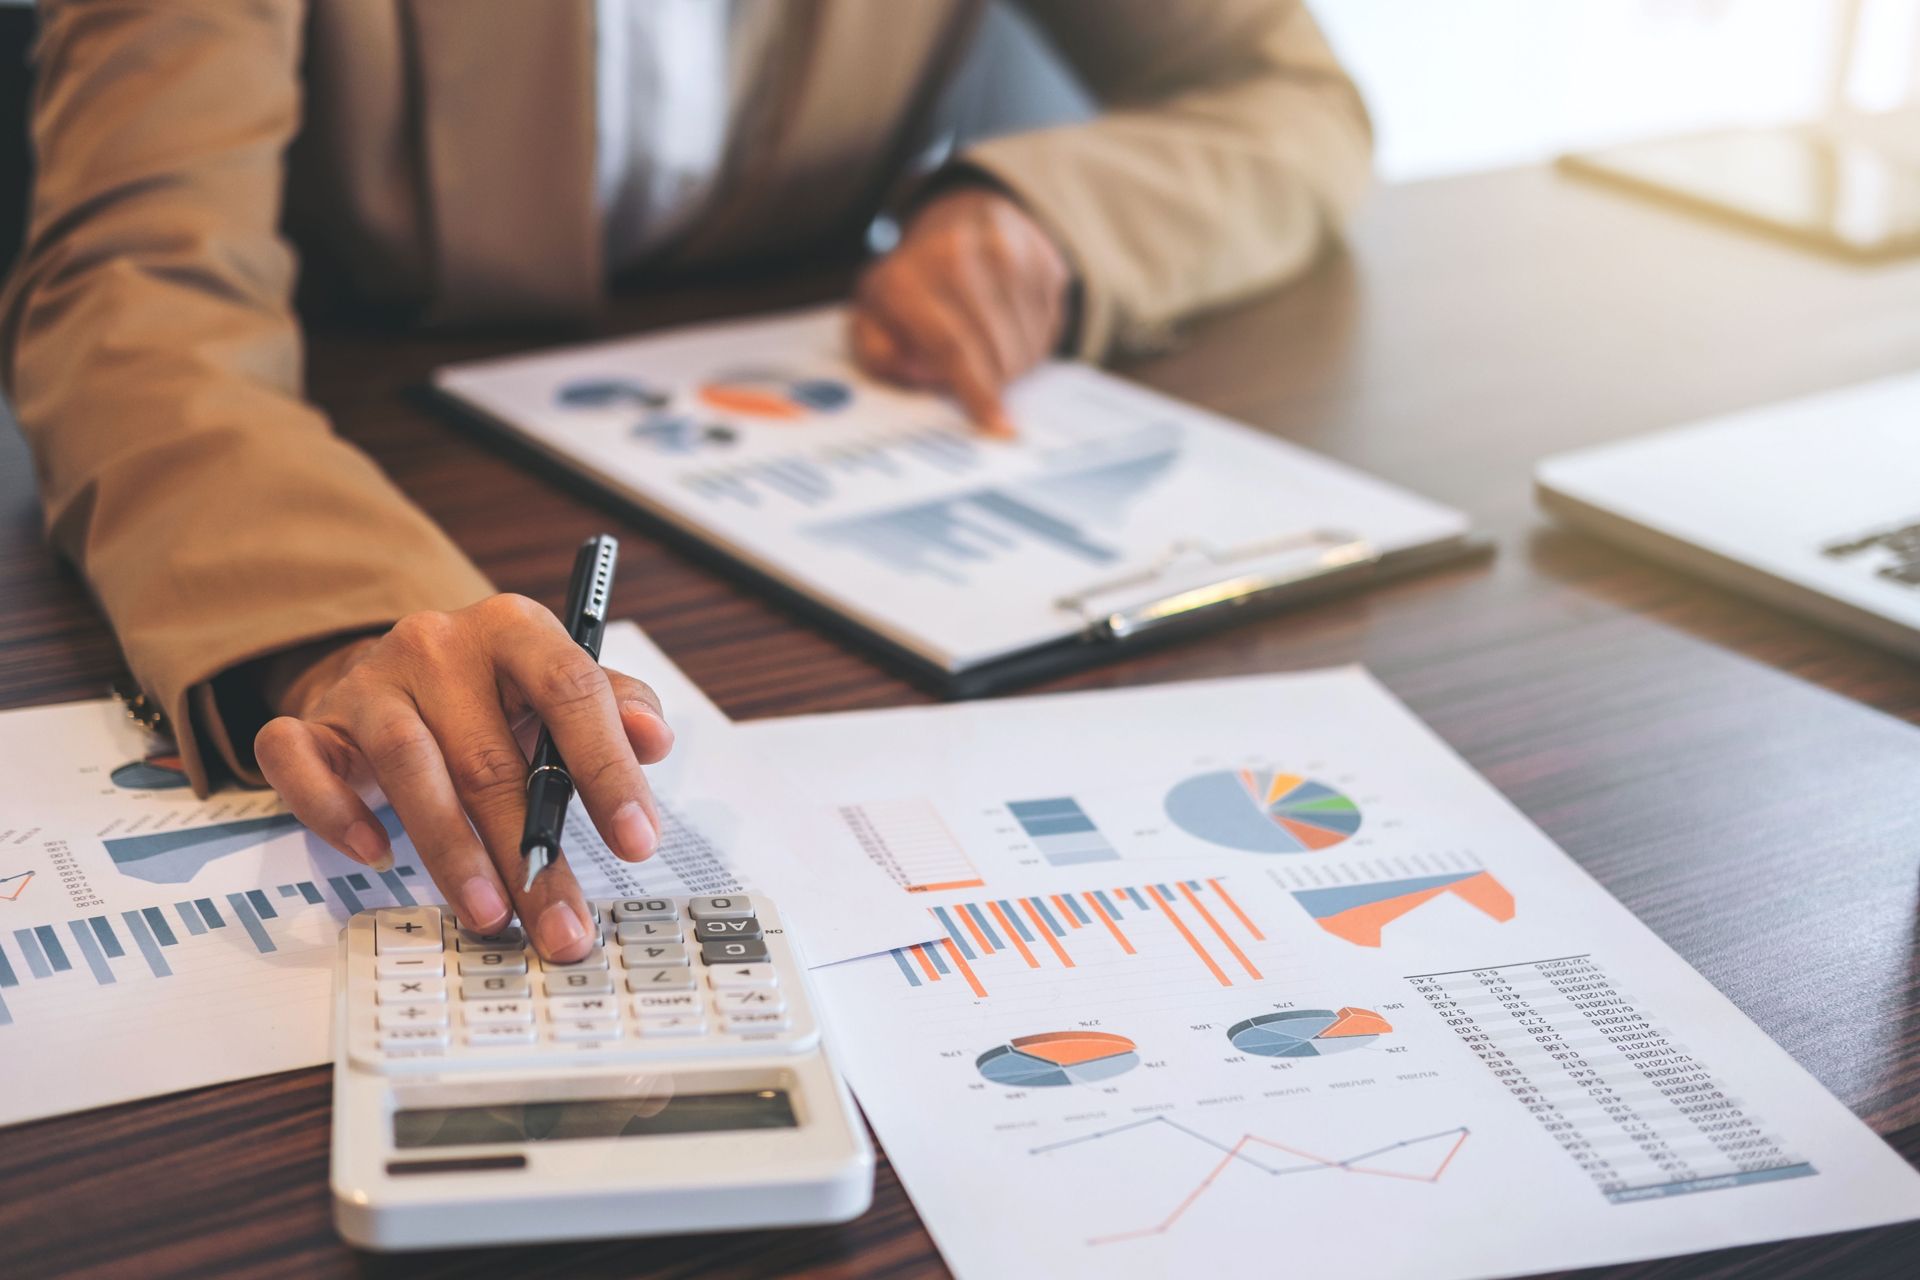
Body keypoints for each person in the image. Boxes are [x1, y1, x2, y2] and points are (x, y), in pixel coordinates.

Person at [0, 1, 1370, 961]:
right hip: (354, 438)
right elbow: (137, 284)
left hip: (796, 480)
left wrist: (1048, 211)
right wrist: (337, 622)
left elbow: (1291, 100)